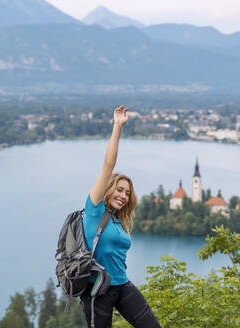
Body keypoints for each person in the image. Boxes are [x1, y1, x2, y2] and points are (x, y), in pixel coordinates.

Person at [80, 105, 161, 328]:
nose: (124, 195)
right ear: (108, 189)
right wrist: (117, 126)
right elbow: (108, 165)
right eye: (119, 189)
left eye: (127, 193)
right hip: (97, 292)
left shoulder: (116, 220)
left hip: (122, 286)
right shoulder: (94, 209)